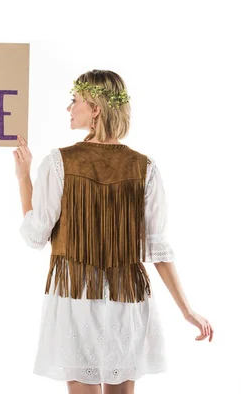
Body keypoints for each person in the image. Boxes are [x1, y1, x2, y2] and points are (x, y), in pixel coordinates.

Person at [13, 70, 213, 394]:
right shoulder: (145, 167)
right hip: (125, 301)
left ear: (95, 108)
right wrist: (186, 309)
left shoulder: (58, 163)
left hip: (76, 298)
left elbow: (36, 235)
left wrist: (23, 177)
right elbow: (158, 250)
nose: (69, 108)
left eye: (74, 100)